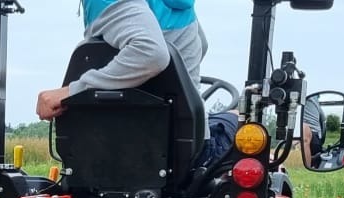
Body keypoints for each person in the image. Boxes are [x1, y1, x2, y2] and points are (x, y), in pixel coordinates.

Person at [36, 0, 238, 168]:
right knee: (237, 119)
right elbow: (200, 45)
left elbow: (152, 54)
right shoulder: (176, 7)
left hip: (115, 153)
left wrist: (73, 91)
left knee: (230, 119)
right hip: (186, 156)